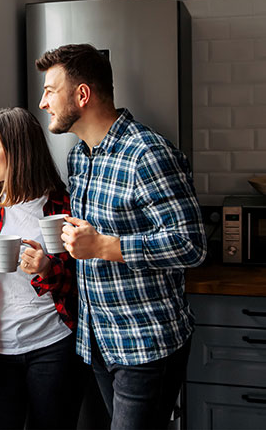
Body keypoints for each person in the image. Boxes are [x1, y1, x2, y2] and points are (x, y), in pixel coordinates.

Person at [35, 43, 207, 429]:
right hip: (97, 338)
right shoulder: (79, 157)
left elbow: (191, 243)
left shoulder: (148, 153)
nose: (43, 101)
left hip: (144, 344)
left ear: (82, 95)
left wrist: (105, 246)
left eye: (50, 90)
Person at [0, 107, 83, 429]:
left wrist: (48, 271)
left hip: (54, 346)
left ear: (18, 151)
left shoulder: (62, 206)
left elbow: (85, 281)